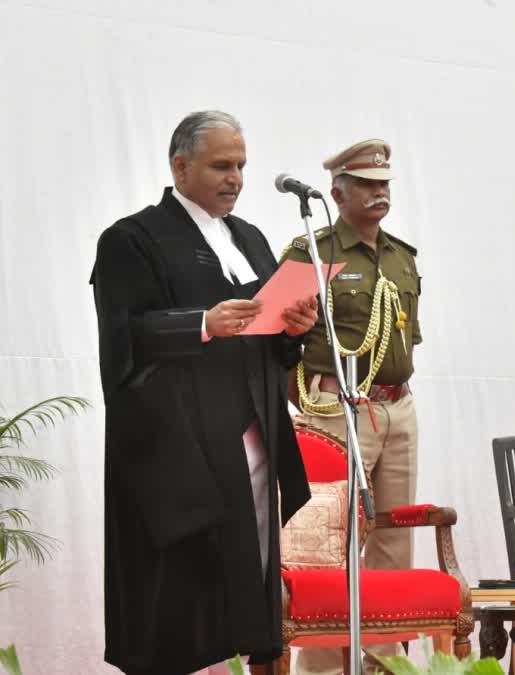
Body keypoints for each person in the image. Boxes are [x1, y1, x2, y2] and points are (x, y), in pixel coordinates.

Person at [90, 110, 317, 674]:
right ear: (180, 165)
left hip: (251, 432)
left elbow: (267, 342)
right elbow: (122, 336)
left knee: (249, 578)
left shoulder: (252, 238)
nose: (235, 177)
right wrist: (200, 323)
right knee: (181, 593)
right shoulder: (132, 238)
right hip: (176, 447)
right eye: (221, 165)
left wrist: (294, 329)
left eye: (240, 165)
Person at [279, 139, 422, 674]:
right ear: (337, 191)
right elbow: (277, 338)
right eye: (366, 184)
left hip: (397, 406)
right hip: (336, 407)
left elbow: (408, 341)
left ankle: (385, 663)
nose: (379, 192)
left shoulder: (401, 257)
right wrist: (312, 402)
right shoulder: (312, 252)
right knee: (328, 544)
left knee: (392, 538)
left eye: (384, 184)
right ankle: (320, 669)